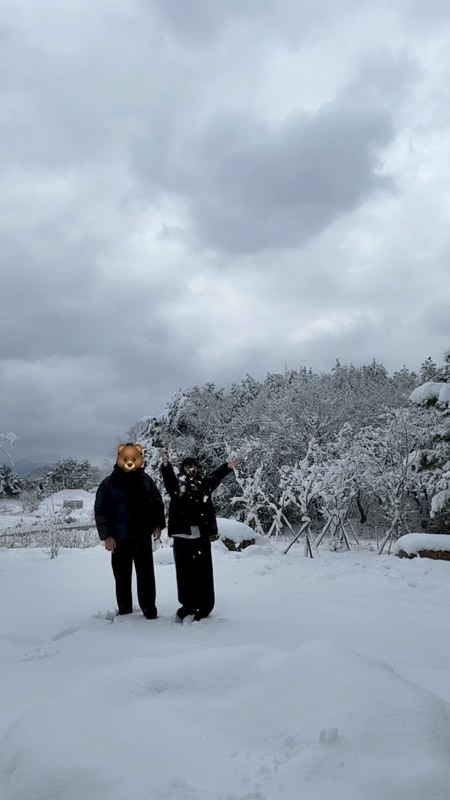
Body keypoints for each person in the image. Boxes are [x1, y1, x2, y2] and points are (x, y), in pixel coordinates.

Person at [159, 447, 238, 622]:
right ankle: (187, 604)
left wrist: (227, 466)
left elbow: (216, 476)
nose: (191, 469)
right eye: (187, 467)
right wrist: (165, 464)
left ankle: (204, 605)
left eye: (193, 466)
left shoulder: (203, 484)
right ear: (183, 469)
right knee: (184, 574)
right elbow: (169, 479)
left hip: (200, 538)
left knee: (203, 573)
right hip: (182, 538)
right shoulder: (177, 486)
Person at [95, 443, 165, 619]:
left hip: (142, 536)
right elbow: (101, 510)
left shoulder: (146, 480)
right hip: (119, 539)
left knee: (146, 575)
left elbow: (157, 502)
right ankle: (125, 609)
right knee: (122, 577)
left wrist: (158, 525)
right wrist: (107, 536)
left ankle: (149, 608)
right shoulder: (108, 484)